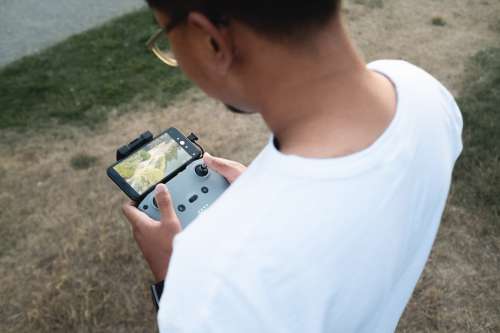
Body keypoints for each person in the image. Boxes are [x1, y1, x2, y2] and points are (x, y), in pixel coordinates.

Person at [121, 0, 463, 332]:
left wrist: (176, 277)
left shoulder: (211, 283)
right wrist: (263, 195)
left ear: (211, 39)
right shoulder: (422, 91)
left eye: (166, 37)